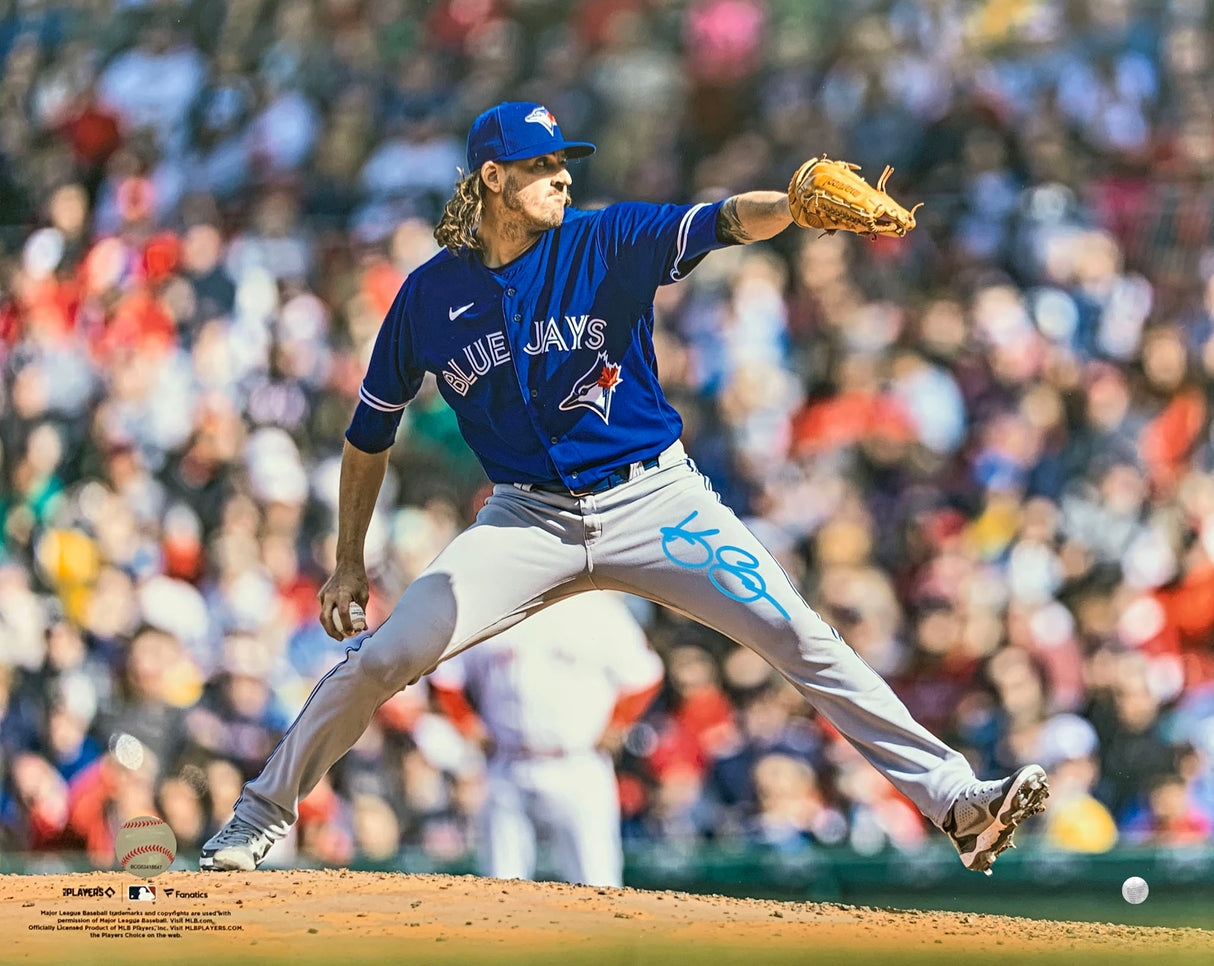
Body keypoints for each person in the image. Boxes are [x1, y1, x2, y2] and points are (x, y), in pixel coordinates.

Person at [200, 101, 1048, 876]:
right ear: (493, 177)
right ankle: (262, 812)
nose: (563, 173)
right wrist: (349, 562)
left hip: (656, 501)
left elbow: (718, 222)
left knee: (802, 635)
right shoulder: (430, 296)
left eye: (566, 160)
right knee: (384, 655)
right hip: (526, 518)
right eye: (542, 164)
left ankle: (955, 801)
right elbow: (367, 435)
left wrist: (789, 203)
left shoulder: (607, 240)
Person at [428, 592, 663, 887]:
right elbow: (444, 677)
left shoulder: (598, 610)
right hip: (507, 762)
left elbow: (645, 674)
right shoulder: (489, 609)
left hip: (578, 762)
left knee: (597, 882)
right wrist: (465, 723)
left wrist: (618, 722)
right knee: (501, 884)